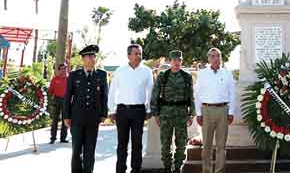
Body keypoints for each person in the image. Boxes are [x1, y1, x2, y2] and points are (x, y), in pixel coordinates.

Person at [108, 44, 154, 173]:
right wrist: (112, 110)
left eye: (140, 53)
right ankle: (120, 169)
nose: (139, 56)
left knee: (137, 143)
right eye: (136, 53)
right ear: (128, 56)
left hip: (139, 111)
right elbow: (112, 91)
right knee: (122, 143)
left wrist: (149, 109)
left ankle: (136, 169)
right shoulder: (119, 71)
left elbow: (150, 91)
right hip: (122, 111)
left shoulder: (147, 71)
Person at [63, 45, 108, 173]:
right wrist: (66, 116)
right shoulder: (74, 75)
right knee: (76, 149)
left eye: (94, 56)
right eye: (89, 56)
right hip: (77, 118)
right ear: (83, 59)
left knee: (90, 149)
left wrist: (104, 113)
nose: (92, 59)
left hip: (93, 119)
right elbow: (67, 97)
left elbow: (104, 96)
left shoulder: (101, 75)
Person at [150, 50, 196, 173]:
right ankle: (167, 168)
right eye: (175, 60)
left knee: (181, 145)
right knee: (165, 145)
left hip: (181, 114)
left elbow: (191, 96)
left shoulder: (187, 77)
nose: (177, 62)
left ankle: (177, 168)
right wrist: (156, 114)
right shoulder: (163, 76)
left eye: (179, 60)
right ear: (170, 61)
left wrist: (192, 114)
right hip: (166, 114)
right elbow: (155, 95)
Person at [194, 48, 236, 173]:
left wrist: (231, 112)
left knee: (221, 145)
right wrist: (198, 113)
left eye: (218, 56)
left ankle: (219, 170)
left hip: (223, 110)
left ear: (221, 58)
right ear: (208, 59)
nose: (216, 58)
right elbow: (197, 95)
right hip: (206, 110)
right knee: (206, 145)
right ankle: (206, 170)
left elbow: (232, 94)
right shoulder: (202, 73)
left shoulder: (227, 73)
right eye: (213, 56)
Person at [49, 63, 69, 144]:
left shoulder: (69, 79)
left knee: (65, 120)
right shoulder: (55, 79)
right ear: (59, 70)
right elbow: (50, 90)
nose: (64, 70)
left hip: (66, 100)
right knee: (55, 120)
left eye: (65, 68)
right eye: (62, 69)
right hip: (56, 100)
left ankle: (63, 138)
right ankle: (53, 138)